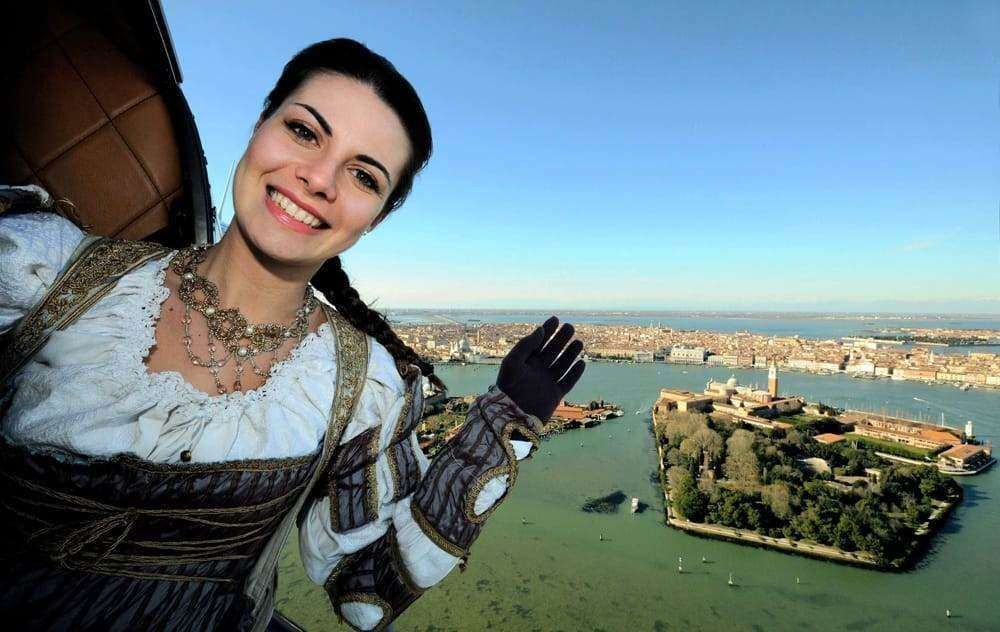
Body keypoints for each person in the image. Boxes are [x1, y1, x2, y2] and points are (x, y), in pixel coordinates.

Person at [0, 38, 585, 631]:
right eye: (305, 132)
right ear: (259, 127)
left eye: (363, 176)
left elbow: (365, 595)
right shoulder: (45, 271)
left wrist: (499, 427)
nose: (319, 179)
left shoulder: (363, 388)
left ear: (375, 218)